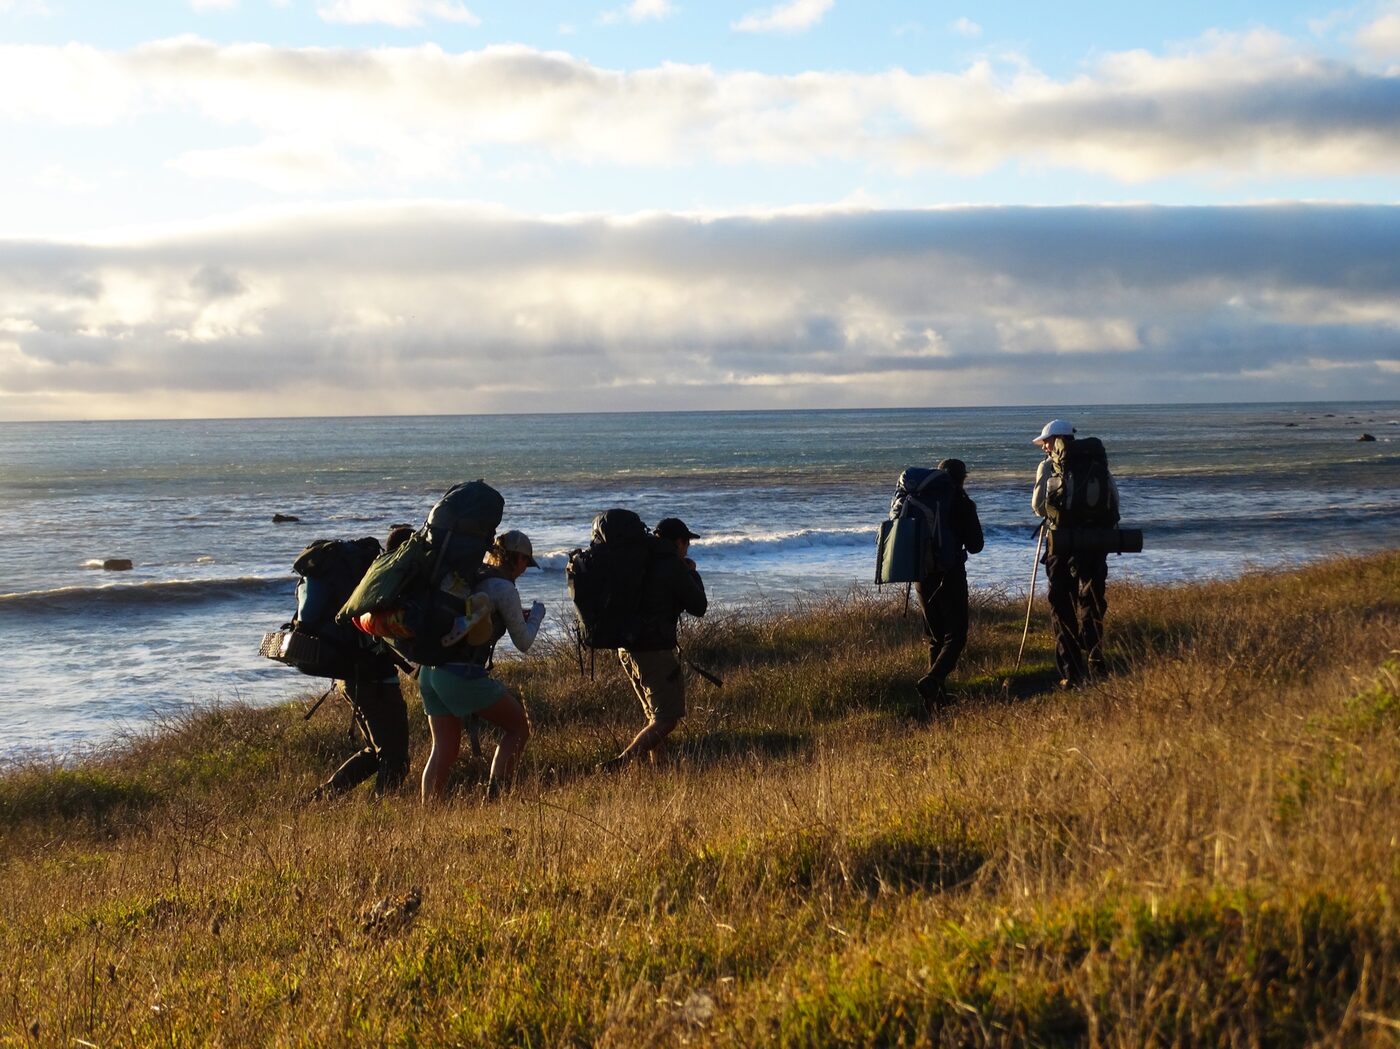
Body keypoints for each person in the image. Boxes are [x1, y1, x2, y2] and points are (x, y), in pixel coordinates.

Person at [418, 530, 544, 802]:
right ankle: (495, 799)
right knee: (518, 729)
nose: (525, 570)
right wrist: (536, 616)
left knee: (443, 749)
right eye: (526, 563)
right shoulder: (505, 588)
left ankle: (428, 815)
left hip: (431, 671)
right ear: (518, 557)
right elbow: (523, 642)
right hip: (460, 673)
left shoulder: (474, 575)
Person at [310, 525, 414, 800]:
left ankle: (321, 798)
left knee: (374, 751)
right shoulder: (389, 581)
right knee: (396, 759)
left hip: (351, 675)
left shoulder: (372, 577)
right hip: (373, 680)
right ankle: (382, 814)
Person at [599, 517, 707, 770]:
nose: (687, 549)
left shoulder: (639, 559)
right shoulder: (671, 564)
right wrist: (691, 572)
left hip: (626, 647)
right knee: (667, 720)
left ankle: (660, 768)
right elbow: (699, 607)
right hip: (653, 649)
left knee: (654, 716)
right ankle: (620, 763)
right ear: (680, 542)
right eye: (686, 543)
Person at [1031, 419, 1120, 688]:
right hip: (1095, 541)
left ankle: (1072, 673)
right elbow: (1113, 501)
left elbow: (1038, 506)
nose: (1043, 447)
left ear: (1055, 439)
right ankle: (1095, 657)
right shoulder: (1097, 462)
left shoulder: (1049, 465)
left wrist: (1058, 516)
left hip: (1062, 541)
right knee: (1092, 599)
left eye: (1045, 442)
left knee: (1061, 603)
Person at [914, 458, 984, 714]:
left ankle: (936, 700)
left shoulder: (921, 497)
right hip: (950, 574)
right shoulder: (961, 502)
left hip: (921, 575)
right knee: (956, 636)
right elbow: (976, 545)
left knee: (935, 637)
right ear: (962, 477)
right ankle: (933, 681)